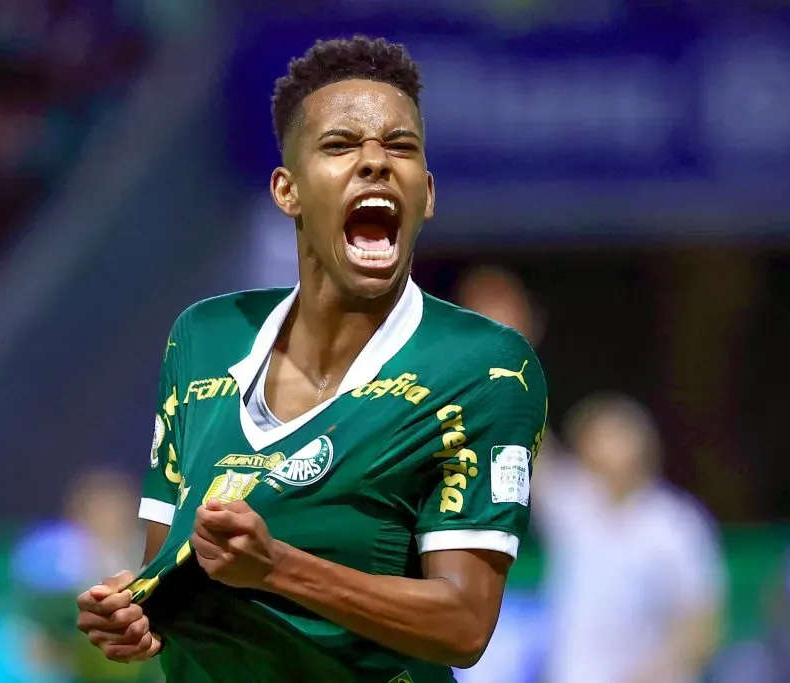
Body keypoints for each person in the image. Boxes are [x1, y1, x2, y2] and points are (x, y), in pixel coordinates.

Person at [75, 36, 548, 682]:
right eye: (340, 145)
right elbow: (172, 570)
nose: (376, 162)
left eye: (400, 147)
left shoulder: (482, 366)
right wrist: (138, 615)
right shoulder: (204, 337)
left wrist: (279, 567)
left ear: (428, 193)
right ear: (287, 190)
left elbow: (464, 624)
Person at [537, 394, 726, 683]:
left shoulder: (677, 524)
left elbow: (703, 625)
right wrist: (515, 358)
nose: (599, 450)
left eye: (610, 438)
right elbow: (535, 445)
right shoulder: (572, 505)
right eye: (591, 440)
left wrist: (658, 670)